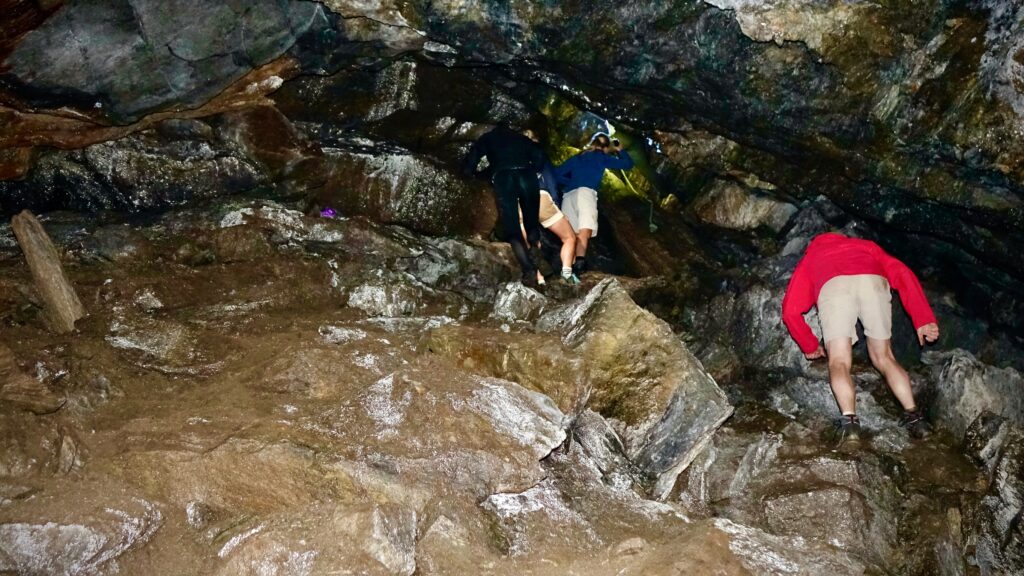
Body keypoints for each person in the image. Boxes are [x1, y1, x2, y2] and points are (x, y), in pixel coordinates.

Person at [781, 232, 940, 445]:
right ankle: (916, 419)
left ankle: (850, 426)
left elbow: (790, 311)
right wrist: (923, 318)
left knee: (839, 361)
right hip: (872, 280)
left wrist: (809, 345)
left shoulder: (813, 256)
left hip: (834, 286)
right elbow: (903, 273)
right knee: (885, 357)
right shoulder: (865, 245)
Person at [463, 125, 548, 287]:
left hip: (504, 176)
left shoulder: (488, 138)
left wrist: (469, 174)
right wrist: (535, 167)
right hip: (527, 175)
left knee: (513, 228)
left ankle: (529, 270)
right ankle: (534, 244)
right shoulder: (521, 138)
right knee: (531, 220)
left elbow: (473, 157)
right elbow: (539, 154)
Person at [554, 133, 634, 276]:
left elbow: (556, 174)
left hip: (568, 196)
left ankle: (568, 270)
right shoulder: (601, 157)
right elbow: (628, 165)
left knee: (571, 235)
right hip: (585, 194)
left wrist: (571, 182)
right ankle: (579, 266)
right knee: (585, 230)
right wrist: (620, 150)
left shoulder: (578, 157)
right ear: (606, 147)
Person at [519, 130, 581, 286]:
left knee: (529, 241)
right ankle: (567, 274)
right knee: (569, 237)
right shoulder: (538, 153)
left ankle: (539, 278)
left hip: (517, 199)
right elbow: (550, 181)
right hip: (539, 196)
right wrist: (558, 208)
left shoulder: (510, 153)